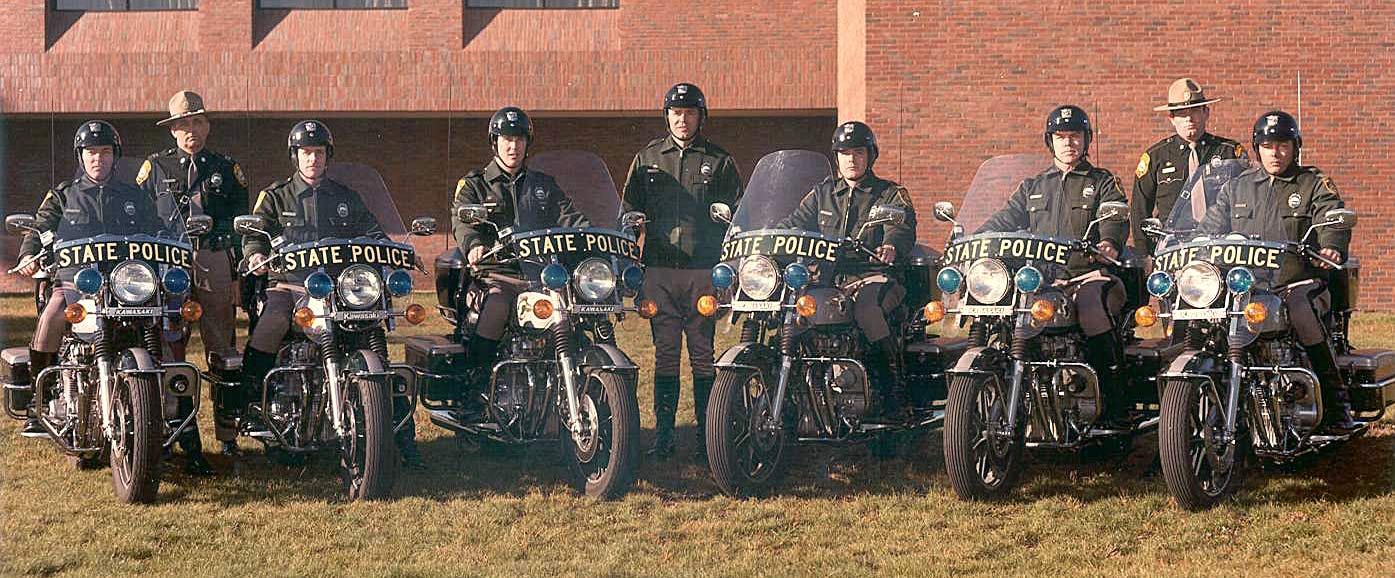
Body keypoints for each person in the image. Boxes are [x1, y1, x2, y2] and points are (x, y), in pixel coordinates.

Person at [240, 120, 423, 466]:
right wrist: (255, 254)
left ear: (328, 157)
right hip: (290, 285)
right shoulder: (277, 195)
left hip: (342, 289)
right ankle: (251, 401)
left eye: (319, 153)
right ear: (295, 156)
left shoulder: (345, 196)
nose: (313, 159)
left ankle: (402, 436)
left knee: (374, 341)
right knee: (273, 321)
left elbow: (372, 231)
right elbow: (255, 232)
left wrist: (393, 249)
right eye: (307, 153)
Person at [1198, 110, 1355, 432]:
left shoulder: (1311, 182)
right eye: (1268, 145)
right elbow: (1209, 227)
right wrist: (1194, 246)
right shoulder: (1237, 187)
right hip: (1245, 286)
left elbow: (1332, 214)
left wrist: (1331, 245)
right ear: (1257, 148)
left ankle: (1337, 403)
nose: (1275, 152)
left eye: (1283, 144)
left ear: (1295, 147)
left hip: (1297, 282)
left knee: (1301, 312)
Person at [978, 105, 1130, 425]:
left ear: (1086, 139)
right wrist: (973, 241)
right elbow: (1004, 220)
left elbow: (1115, 217)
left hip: (1089, 275)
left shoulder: (1103, 181)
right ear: (1051, 142)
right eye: (1061, 137)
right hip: (1043, 281)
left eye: (1075, 136)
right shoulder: (1033, 186)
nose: (1068, 143)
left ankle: (1115, 401)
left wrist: (1108, 243)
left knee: (1092, 308)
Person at [621, 83, 743, 458]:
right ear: (667, 116)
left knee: (704, 353)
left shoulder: (720, 160)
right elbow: (626, 212)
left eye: (690, 112)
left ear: (701, 117)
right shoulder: (647, 158)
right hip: (659, 269)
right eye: (676, 113)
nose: (682, 119)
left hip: (702, 269)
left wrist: (729, 271)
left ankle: (708, 437)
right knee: (666, 353)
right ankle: (664, 436)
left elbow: (738, 217)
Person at [14, 121, 161, 436]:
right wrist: (28, 255)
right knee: (51, 318)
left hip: (125, 284)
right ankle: (37, 403)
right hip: (74, 283)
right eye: (91, 152)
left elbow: (158, 230)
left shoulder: (133, 195)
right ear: (80, 156)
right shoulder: (63, 195)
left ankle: (167, 404)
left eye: (105, 152)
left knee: (164, 323)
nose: (98, 158)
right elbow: (39, 228)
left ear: (115, 156)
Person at [137, 90, 250, 471]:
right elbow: (140, 219)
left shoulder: (226, 167)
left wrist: (233, 268)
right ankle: (172, 432)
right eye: (183, 124)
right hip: (170, 264)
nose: (191, 131)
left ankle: (229, 434)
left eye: (198, 122)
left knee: (222, 350)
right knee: (170, 349)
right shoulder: (155, 169)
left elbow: (240, 222)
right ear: (172, 130)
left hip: (213, 258)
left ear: (208, 125)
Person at [450, 106, 589, 415]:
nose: (513, 146)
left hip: (540, 275)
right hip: (496, 275)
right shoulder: (475, 184)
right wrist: (473, 245)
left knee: (577, 314)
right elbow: (463, 222)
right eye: (506, 139)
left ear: (528, 143)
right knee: (497, 305)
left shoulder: (543, 185)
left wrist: (589, 235)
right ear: (495, 142)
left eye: (519, 139)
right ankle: (477, 384)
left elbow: (571, 217)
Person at [780, 120, 916, 419]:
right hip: (829, 280)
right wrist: (770, 237)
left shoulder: (889, 194)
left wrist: (892, 245)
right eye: (844, 153)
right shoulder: (822, 193)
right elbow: (793, 224)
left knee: (867, 311)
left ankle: (891, 389)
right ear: (836, 157)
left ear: (870, 156)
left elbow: (902, 226)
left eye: (858, 152)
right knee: (791, 310)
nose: (851, 159)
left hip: (876, 277)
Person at [1132, 78, 1246, 258]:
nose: (1188, 118)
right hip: (1173, 249)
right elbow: (1139, 211)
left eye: (1194, 110)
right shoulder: (1156, 157)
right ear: (1171, 118)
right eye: (1181, 113)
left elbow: (1248, 201)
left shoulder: (1229, 152)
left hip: (1221, 246)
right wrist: (1144, 256)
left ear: (1206, 112)